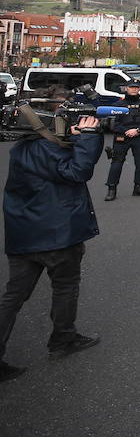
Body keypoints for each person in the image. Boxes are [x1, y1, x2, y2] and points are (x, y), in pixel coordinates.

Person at [0, 88, 103, 382]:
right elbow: (78, 171)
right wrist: (89, 137)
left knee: (13, 296)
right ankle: (63, 340)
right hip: (58, 234)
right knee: (65, 286)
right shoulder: (51, 149)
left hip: (23, 234)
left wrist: (72, 137)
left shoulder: (22, 148)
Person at [104, 79, 140, 201]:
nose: (134, 89)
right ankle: (111, 189)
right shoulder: (117, 105)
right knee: (117, 162)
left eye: (136, 87)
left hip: (139, 135)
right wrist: (126, 131)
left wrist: (137, 130)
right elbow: (112, 122)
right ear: (126, 88)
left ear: (139, 89)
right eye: (131, 87)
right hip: (122, 136)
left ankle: (138, 186)